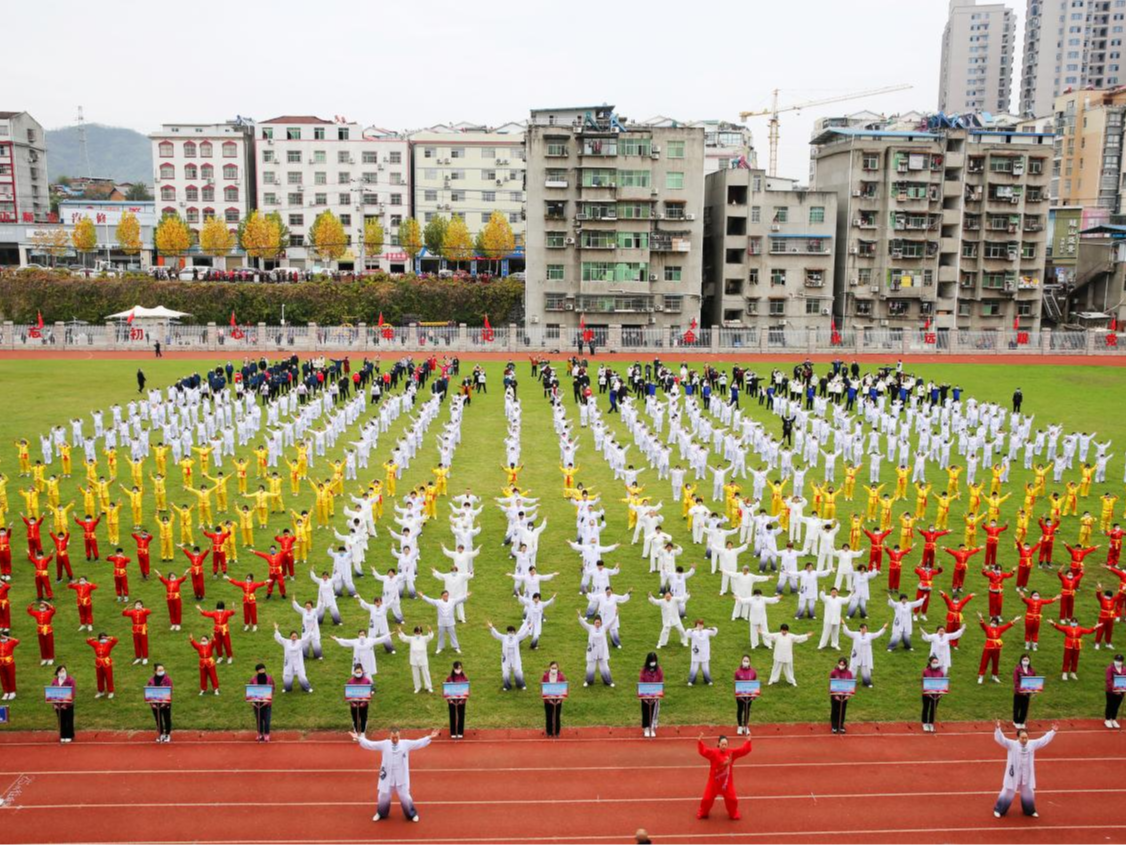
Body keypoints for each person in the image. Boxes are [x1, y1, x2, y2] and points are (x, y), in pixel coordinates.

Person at [351, 726, 440, 823]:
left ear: (399, 736)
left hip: (401, 776)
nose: (395, 739)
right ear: (389, 736)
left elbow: (417, 743)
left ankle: (412, 814)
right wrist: (359, 738)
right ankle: (381, 813)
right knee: (383, 795)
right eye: (393, 737)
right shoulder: (384, 744)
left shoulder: (406, 744)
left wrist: (430, 737)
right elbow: (371, 744)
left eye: (396, 737)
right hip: (387, 776)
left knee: (405, 796)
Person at [992, 721, 1057, 818]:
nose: (1025, 739)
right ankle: (999, 809)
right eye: (1022, 738)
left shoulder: (1032, 744)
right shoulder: (1012, 745)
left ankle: (1029, 811)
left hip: (1026, 774)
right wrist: (998, 729)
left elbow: (1043, 740)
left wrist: (1053, 731)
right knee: (1008, 791)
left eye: (1026, 737)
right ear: (1018, 737)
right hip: (1014, 774)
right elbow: (1002, 739)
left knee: (1028, 792)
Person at [696, 731, 751, 820]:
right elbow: (704, 751)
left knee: (732, 799)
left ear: (728, 745)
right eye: (722, 744)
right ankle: (703, 813)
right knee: (707, 799)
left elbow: (742, 751)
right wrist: (700, 742)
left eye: (725, 744)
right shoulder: (714, 753)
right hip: (714, 782)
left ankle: (733, 814)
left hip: (726, 783)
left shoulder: (731, 753)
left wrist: (748, 741)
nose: (724, 746)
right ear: (718, 744)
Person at [273, 622, 314, 693]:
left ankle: (307, 688)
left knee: (302, 676)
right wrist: (276, 629)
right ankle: (287, 688)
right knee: (287, 676)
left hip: (298, 662)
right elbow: (279, 638)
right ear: (290, 636)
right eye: (293, 636)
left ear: (297, 637)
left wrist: (311, 630)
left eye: (295, 636)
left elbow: (308, 638)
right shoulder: (286, 642)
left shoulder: (300, 642)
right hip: (289, 663)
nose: (294, 637)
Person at [398, 624, 435, 694]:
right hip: (414, 660)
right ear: (414, 632)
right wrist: (400, 632)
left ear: (421, 632)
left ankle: (429, 687)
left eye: (419, 632)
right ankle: (417, 687)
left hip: (423, 659)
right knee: (415, 674)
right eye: (417, 632)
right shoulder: (412, 639)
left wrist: (430, 631)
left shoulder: (424, 638)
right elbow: (404, 638)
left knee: (426, 673)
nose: (418, 633)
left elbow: (430, 637)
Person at [147, 663, 173, 742]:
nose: (162, 671)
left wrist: (165, 703)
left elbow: (170, 691)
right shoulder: (151, 681)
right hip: (155, 704)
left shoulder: (167, 680)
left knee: (167, 718)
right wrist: (152, 704)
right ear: (155, 671)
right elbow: (148, 693)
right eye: (159, 670)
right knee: (158, 719)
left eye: (162, 670)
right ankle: (161, 734)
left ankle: (167, 734)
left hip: (165, 703)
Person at [640, 651, 663, 737]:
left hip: (655, 695)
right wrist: (644, 695)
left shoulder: (659, 670)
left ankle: (652, 728)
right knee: (645, 711)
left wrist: (657, 695)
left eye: (654, 660)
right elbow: (641, 681)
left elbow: (661, 681)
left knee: (654, 712)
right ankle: (646, 727)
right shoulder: (644, 670)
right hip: (645, 695)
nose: (653, 662)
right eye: (651, 660)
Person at [249, 663, 274, 742]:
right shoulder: (253, 680)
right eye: (260, 670)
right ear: (257, 671)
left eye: (263, 669)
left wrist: (268, 699)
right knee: (259, 720)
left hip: (267, 704)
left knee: (267, 720)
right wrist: (252, 701)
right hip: (257, 704)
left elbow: (273, 688)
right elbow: (250, 690)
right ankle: (260, 734)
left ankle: (266, 734)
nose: (262, 671)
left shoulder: (269, 678)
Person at [50, 664, 76, 743]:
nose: (63, 672)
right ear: (57, 672)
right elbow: (51, 693)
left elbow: (72, 693)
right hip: (58, 706)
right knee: (61, 720)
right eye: (61, 671)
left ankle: (69, 735)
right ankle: (63, 735)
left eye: (64, 671)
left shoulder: (70, 680)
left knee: (69, 720)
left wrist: (66, 704)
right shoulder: (54, 681)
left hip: (68, 705)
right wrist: (54, 704)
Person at [734, 654, 757, 735]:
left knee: (747, 710)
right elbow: (736, 683)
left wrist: (754, 695)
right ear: (741, 661)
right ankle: (740, 726)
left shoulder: (753, 672)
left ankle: (746, 726)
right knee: (740, 709)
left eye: (747, 661)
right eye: (744, 661)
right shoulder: (737, 672)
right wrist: (738, 695)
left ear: (749, 662)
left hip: (749, 696)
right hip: (740, 696)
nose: (745, 662)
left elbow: (754, 683)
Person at [830, 656, 854, 733]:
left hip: (844, 695)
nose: (841, 666)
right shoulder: (833, 672)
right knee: (835, 710)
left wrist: (848, 695)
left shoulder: (849, 673)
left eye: (843, 664)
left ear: (846, 665)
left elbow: (850, 685)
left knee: (842, 710)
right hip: (835, 695)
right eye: (840, 664)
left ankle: (841, 725)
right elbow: (831, 684)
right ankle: (834, 725)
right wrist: (835, 695)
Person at [921, 656, 945, 733]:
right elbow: (923, 683)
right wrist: (928, 693)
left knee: (933, 708)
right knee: (926, 708)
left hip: (936, 695)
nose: (935, 664)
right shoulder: (925, 671)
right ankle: (925, 723)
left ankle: (931, 723)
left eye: (936, 662)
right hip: (927, 694)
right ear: (930, 663)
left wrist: (942, 693)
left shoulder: (941, 672)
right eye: (934, 662)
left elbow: (942, 683)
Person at [542, 661, 566, 737]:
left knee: (557, 716)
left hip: (558, 700)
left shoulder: (561, 676)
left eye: (555, 668)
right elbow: (543, 688)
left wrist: (560, 699)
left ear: (558, 668)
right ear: (549, 668)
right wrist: (548, 699)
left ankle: (557, 732)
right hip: (548, 700)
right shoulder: (545, 676)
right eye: (552, 668)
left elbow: (563, 689)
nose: (553, 669)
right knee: (548, 716)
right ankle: (549, 732)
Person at [1012, 653, 1037, 729]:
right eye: (1024, 660)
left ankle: (1022, 721)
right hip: (1018, 693)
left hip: (1027, 693)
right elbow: (1016, 681)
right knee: (1017, 707)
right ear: (1021, 660)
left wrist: (1034, 690)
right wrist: (1021, 690)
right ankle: (1016, 721)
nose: (1025, 661)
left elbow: (1034, 681)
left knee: (1024, 708)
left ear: (1029, 661)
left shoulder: (1032, 671)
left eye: (1027, 660)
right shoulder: (1017, 669)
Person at [446, 661, 468, 739]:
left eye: (460, 668)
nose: (458, 670)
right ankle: (453, 732)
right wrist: (449, 700)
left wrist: (463, 700)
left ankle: (460, 732)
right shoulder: (449, 678)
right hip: (452, 700)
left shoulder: (464, 678)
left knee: (461, 715)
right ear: (453, 668)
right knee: (452, 715)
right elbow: (446, 691)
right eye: (457, 668)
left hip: (461, 700)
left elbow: (466, 690)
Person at [348, 664, 372, 734]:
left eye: (359, 672)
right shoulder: (350, 681)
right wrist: (352, 703)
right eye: (357, 672)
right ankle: (356, 732)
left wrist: (364, 703)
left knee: (363, 718)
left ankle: (362, 733)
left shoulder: (367, 681)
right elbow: (348, 694)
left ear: (362, 672)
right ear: (354, 672)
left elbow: (369, 694)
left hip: (363, 704)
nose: (358, 673)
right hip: (354, 705)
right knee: (355, 719)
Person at [1106, 653, 1125, 728]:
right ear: (1114, 660)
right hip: (1111, 691)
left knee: (1116, 706)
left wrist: (1123, 689)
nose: (1118, 662)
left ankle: (1113, 719)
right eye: (1117, 660)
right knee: (1110, 705)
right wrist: (1115, 689)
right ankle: (1107, 719)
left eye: (1120, 660)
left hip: (1121, 691)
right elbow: (1108, 680)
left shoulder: (1124, 669)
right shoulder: (1110, 668)